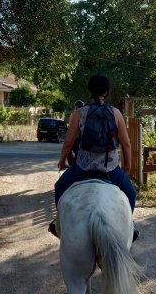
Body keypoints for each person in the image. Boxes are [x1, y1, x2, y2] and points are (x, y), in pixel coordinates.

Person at [49, 74, 138, 241]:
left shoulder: (80, 113)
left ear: (90, 90)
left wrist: (62, 161)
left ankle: (57, 225)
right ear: (106, 92)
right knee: (131, 193)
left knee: (59, 187)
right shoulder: (116, 113)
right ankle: (130, 229)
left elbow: (68, 143)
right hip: (110, 169)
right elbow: (126, 144)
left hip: (83, 168)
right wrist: (128, 165)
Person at [66, 100, 84, 166]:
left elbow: (70, 126)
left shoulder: (74, 114)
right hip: (85, 137)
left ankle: (71, 164)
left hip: (75, 137)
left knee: (68, 149)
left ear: (76, 107)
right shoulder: (86, 113)